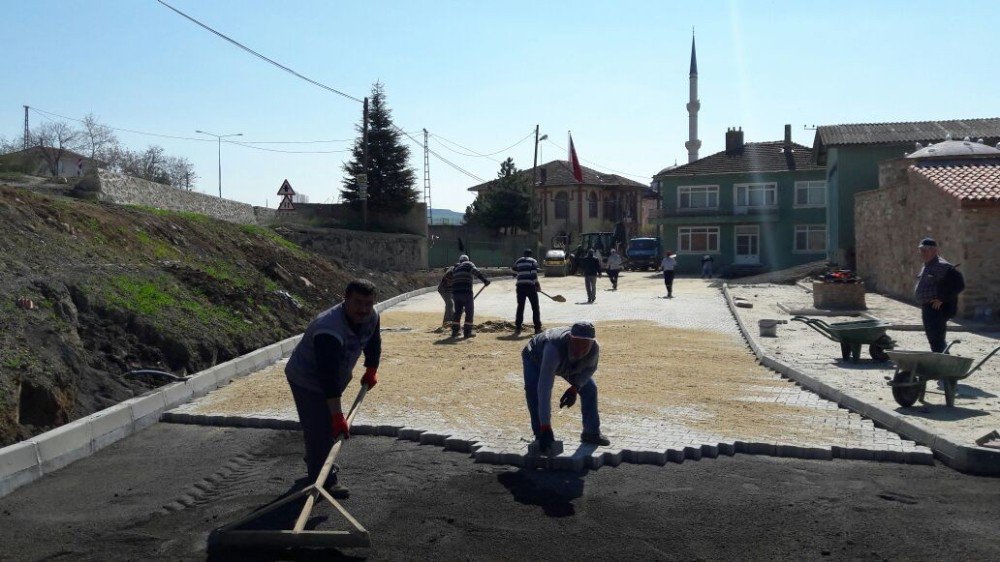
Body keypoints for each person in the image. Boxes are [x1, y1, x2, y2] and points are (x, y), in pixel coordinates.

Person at [284, 279, 381, 499]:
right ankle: (324, 481)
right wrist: (337, 416)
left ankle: (316, 460)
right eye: (358, 302)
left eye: (368, 303)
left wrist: (371, 368)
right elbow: (327, 377)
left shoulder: (370, 315)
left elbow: (374, 340)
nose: (363, 309)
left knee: (324, 425)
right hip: (307, 379)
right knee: (322, 428)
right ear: (345, 300)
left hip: (335, 375)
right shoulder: (328, 328)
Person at [521, 321, 610, 454]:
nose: (580, 348)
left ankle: (591, 433)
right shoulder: (553, 349)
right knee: (534, 392)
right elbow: (544, 388)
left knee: (590, 388)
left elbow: (590, 369)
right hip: (535, 357)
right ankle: (541, 435)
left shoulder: (594, 349)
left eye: (585, 344)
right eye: (576, 342)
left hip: (566, 362)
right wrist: (546, 426)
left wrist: (575, 387)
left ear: (592, 342)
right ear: (570, 338)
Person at [914, 238, 963, 353]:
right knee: (933, 339)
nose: (923, 253)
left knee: (937, 339)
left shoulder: (943, 266)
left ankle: (944, 364)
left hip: (937, 309)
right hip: (927, 307)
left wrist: (942, 298)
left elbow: (958, 284)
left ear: (934, 251)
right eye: (921, 250)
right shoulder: (927, 265)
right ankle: (941, 362)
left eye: (926, 250)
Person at [451, 254, 490, 338]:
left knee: (457, 312)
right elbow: (476, 271)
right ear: (467, 260)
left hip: (455, 293)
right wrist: (485, 280)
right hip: (466, 292)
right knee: (469, 311)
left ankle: (455, 331)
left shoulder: (456, 268)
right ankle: (467, 332)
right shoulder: (468, 264)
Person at [512, 249, 543, 335]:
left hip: (520, 286)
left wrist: (520, 275)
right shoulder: (533, 261)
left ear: (524, 254)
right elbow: (534, 274)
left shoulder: (519, 261)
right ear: (531, 255)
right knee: (535, 307)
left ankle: (518, 328)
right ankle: (537, 328)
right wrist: (537, 285)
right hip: (530, 287)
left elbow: (514, 272)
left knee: (520, 307)